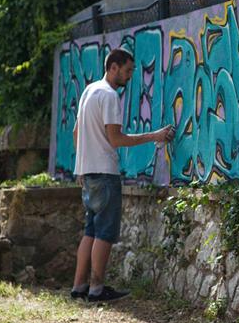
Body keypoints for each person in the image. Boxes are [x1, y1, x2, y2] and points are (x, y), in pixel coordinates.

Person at [70, 48, 175, 302]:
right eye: (127, 71)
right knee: (104, 232)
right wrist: (154, 135)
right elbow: (115, 139)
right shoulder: (109, 96)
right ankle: (96, 289)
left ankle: (79, 287)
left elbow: (76, 133)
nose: (129, 77)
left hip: (88, 172)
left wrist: (82, 163)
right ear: (113, 67)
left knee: (90, 231)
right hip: (105, 174)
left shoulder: (89, 91)